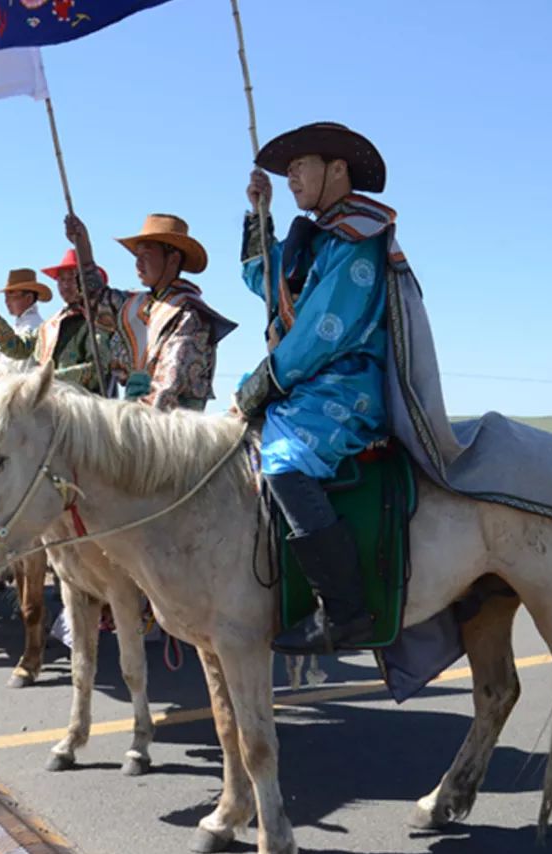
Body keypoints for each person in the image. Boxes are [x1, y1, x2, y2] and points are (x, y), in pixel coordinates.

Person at [234, 121, 392, 654]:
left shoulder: (358, 238)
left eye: (301, 165)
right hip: (310, 379)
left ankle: (344, 611)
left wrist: (267, 379)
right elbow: (264, 282)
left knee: (283, 457)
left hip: (347, 384)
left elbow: (324, 329)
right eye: (288, 170)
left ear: (338, 169)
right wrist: (261, 212)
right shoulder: (317, 236)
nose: (292, 176)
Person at [64, 213, 235, 411]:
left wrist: (126, 423)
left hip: (170, 427)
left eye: (146, 255)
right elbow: (96, 298)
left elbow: (169, 389)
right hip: (134, 416)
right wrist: (83, 247)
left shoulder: (189, 314)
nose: (138, 263)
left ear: (173, 259)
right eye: (137, 256)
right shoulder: (137, 305)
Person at [0, 250, 114, 394]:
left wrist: (47, 378)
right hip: (52, 402)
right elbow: (20, 348)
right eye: (61, 280)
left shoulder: (98, 320)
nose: (65, 285)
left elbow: (98, 369)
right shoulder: (51, 325)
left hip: (84, 406)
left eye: (72, 279)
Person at [0, 269, 49, 374]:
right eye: (5, 297)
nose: (6, 301)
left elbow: (17, 348)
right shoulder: (18, 327)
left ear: (28, 298)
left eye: (11, 296)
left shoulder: (36, 326)